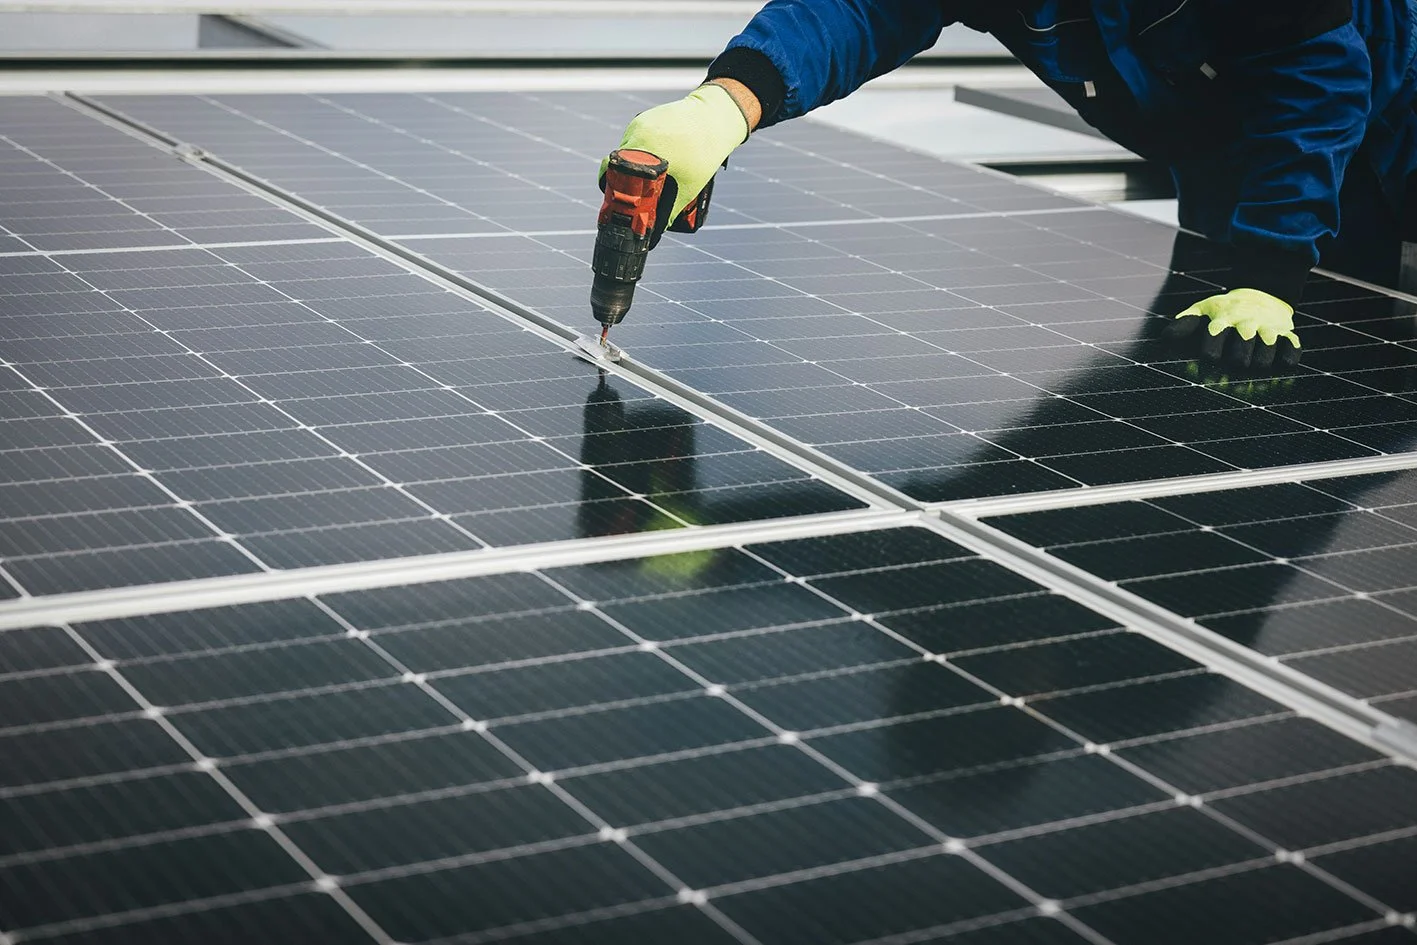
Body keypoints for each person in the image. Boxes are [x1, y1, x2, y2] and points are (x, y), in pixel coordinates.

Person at [603, 0, 1417, 369]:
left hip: (1387, 111)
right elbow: (856, 10)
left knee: (1331, 348)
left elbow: (1314, 78)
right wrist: (727, 103)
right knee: (1214, 373)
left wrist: (1269, 272)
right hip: (1222, 152)